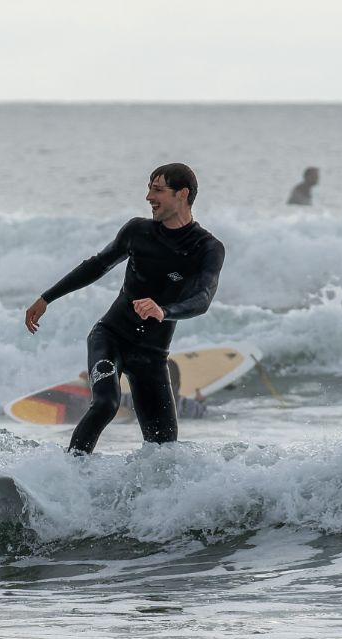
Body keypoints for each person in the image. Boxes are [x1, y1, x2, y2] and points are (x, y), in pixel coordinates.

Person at [23, 164, 226, 455]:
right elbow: (97, 265)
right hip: (110, 338)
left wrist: (163, 310)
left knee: (164, 448)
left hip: (152, 356)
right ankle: (71, 471)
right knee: (106, 404)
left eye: (157, 190)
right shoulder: (137, 231)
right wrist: (47, 298)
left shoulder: (206, 248)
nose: (148, 197)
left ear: (182, 194)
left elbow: (203, 298)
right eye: (149, 189)